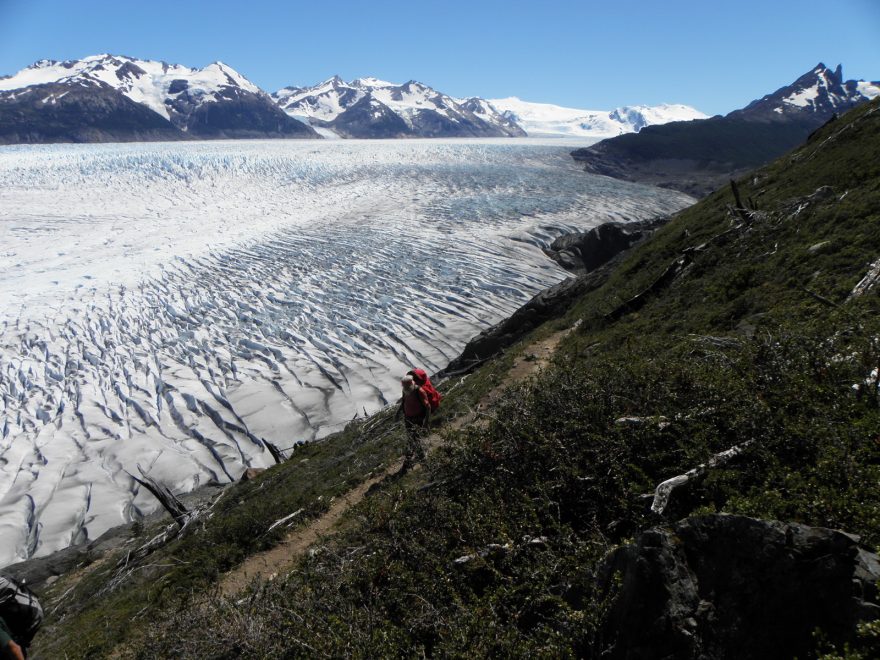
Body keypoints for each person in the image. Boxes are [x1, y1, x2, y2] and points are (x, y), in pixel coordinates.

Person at [395, 373, 431, 468]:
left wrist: (426, 422)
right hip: (408, 419)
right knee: (411, 439)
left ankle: (419, 459)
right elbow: (403, 402)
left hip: (418, 418)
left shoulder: (419, 391)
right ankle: (419, 458)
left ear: (411, 384)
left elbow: (428, 407)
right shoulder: (405, 391)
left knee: (414, 439)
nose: (405, 388)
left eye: (407, 386)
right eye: (404, 386)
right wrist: (398, 413)